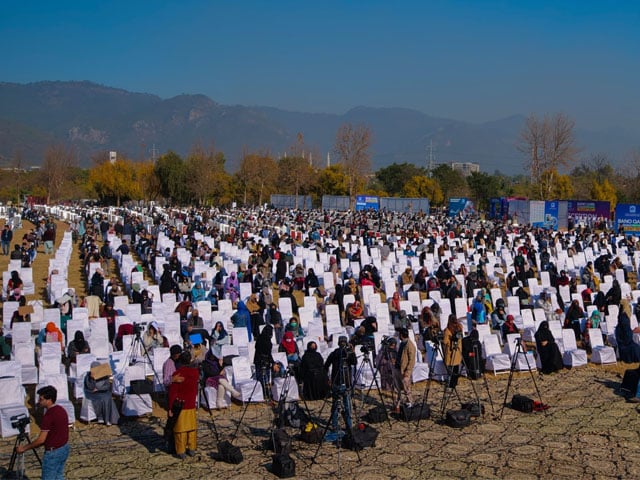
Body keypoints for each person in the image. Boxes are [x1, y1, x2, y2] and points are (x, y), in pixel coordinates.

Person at [15, 386, 70, 479]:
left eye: (41, 399)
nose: (39, 401)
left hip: (53, 453)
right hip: (64, 448)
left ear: (49, 400)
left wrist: (24, 448)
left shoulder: (48, 416)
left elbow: (41, 440)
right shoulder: (61, 409)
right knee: (59, 475)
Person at [168, 350, 200, 459]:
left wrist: (170, 407)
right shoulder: (195, 373)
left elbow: (173, 393)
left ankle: (181, 450)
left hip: (180, 404)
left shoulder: (177, 374)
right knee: (191, 428)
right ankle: (191, 448)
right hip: (191, 403)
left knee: (180, 429)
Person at [324, 336, 357, 431]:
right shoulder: (341, 353)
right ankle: (348, 426)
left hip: (339, 382)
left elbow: (326, 366)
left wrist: (327, 379)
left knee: (336, 405)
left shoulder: (335, 353)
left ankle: (335, 425)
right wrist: (352, 352)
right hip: (342, 383)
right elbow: (354, 362)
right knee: (347, 406)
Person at [84, 361, 120, 425]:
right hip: (92, 394)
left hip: (103, 392)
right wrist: (92, 379)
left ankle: (109, 419)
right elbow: (88, 387)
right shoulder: (88, 376)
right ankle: (101, 417)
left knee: (108, 399)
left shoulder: (104, 375)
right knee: (101, 400)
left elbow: (107, 386)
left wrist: (99, 389)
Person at [392, 327, 416, 412]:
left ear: (401, 335)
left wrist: (408, 372)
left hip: (404, 371)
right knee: (396, 389)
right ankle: (397, 406)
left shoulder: (410, 345)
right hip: (398, 369)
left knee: (406, 390)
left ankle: (410, 404)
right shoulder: (402, 343)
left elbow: (412, 360)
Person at [443, 314, 463, 388]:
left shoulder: (447, 330)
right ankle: (455, 382)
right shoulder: (459, 327)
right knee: (456, 368)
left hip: (450, 352)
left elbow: (445, 342)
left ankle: (451, 384)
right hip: (458, 351)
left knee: (451, 369)